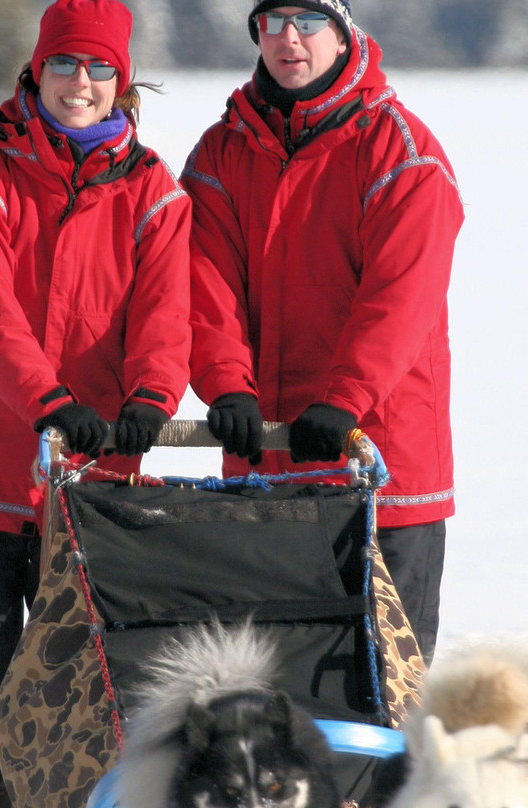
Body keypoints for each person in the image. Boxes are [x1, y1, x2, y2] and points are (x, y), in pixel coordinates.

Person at [0, 0, 191, 804]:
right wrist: (49, 401)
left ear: (122, 82)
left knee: (95, 682)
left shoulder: (152, 191)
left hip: (92, 478)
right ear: (36, 70)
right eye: (65, 63)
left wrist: (151, 396)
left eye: (101, 68)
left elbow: (169, 316)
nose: (81, 83)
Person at [184, 0, 463, 666]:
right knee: (276, 692)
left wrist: (344, 400)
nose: (289, 39)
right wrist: (227, 388)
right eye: (272, 23)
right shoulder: (221, 152)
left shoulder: (402, 150)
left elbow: (400, 299)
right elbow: (202, 286)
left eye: (308, 22)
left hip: (379, 465)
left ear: (342, 33)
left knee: (386, 688)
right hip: (268, 465)